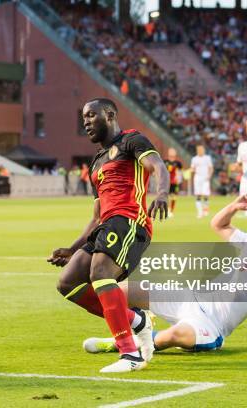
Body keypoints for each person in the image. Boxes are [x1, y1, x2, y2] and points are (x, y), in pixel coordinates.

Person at [83, 195, 247, 359]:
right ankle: (136, 323)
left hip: (211, 325)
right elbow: (218, 224)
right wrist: (234, 206)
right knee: (115, 290)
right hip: (188, 296)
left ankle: (119, 343)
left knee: (172, 337)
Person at [48, 98, 170, 373]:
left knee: (101, 272)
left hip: (130, 222)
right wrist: (71, 249)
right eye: (84, 118)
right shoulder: (96, 163)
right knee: (67, 284)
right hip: (105, 226)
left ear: (110, 114)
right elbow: (95, 216)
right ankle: (136, 321)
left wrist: (162, 194)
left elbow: (157, 167)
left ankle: (131, 355)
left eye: (92, 115)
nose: (86, 122)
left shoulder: (132, 141)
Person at [190, 145, 213, 218]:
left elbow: (211, 168)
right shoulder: (194, 159)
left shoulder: (207, 158)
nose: (201, 151)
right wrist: (191, 170)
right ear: (197, 151)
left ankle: (206, 210)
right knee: (198, 195)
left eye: (202, 150)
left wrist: (209, 176)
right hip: (197, 178)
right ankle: (200, 212)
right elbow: (192, 168)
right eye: (199, 150)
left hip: (205, 178)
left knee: (206, 195)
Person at [163, 147, 183, 217]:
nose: (172, 153)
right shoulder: (165, 161)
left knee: (174, 196)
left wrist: (179, 179)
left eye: (173, 151)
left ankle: (171, 211)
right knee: (166, 196)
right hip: (166, 181)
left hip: (174, 182)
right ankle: (167, 210)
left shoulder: (178, 163)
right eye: (170, 151)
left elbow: (180, 172)